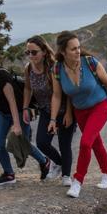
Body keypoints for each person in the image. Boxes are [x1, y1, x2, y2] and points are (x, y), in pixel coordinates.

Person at [48, 31, 107, 198]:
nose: (78, 51)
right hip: (80, 111)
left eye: (79, 47)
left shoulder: (90, 62)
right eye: (73, 49)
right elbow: (57, 95)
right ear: (63, 52)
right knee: (95, 143)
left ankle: (78, 181)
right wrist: (53, 119)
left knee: (85, 143)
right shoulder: (56, 69)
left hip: (100, 106)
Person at [0, 41, 51, 185]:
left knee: (21, 143)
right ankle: (9, 174)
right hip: (2, 112)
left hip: (20, 111)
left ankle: (44, 161)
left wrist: (16, 124)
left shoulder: (2, 75)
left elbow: (13, 102)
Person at [22, 35, 76, 185]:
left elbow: (67, 91)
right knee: (42, 142)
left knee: (65, 144)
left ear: (44, 51)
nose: (31, 56)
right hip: (46, 111)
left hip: (64, 110)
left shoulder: (55, 67)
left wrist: (69, 113)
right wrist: (25, 107)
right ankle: (58, 163)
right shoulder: (28, 69)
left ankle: (66, 175)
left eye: (34, 52)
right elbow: (27, 88)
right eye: (28, 53)